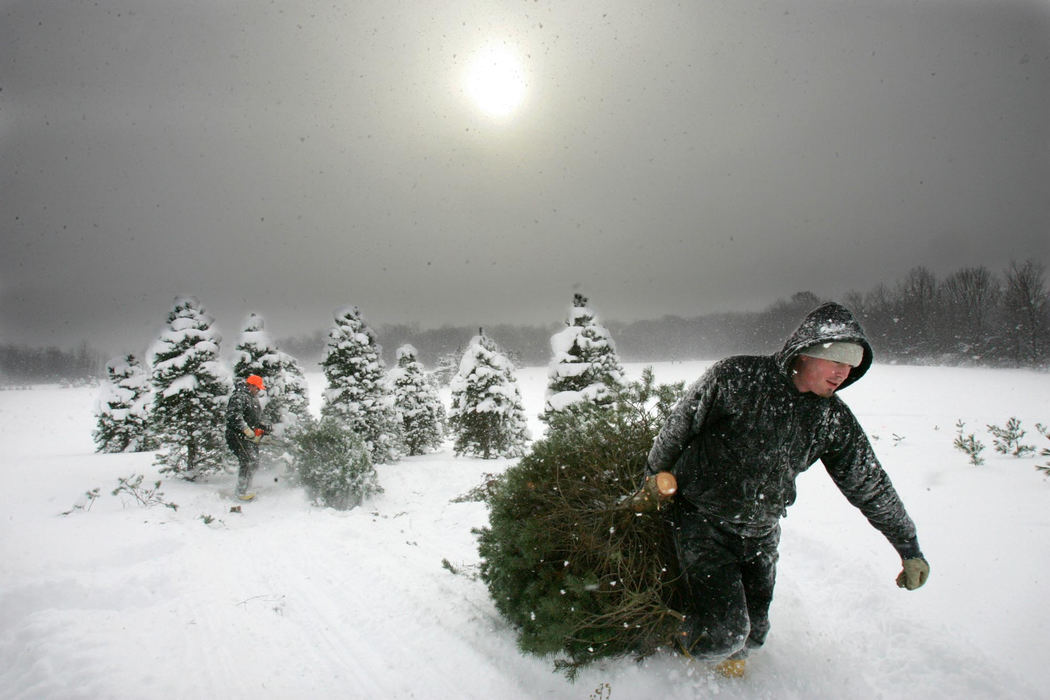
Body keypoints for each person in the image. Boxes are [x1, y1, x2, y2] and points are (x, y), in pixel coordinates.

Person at [645, 302, 929, 678]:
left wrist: (908, 547)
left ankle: (729, 680)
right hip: (703, 520)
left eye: (852, 364)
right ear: (805, 352)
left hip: (761, 532)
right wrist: (652, 476)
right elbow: (680, 426)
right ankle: (676, 655)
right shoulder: (736, 377)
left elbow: (869, 483)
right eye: (836, 361)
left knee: (755, 637)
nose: (843, 373)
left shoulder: (832, 419)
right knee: (724, 633)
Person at [226, 374, 270, 501]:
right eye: (257, 388)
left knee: (254, 461)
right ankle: (241, 493)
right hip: (236, 435)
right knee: (247, 460)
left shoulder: (252, 398)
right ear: (250, 385)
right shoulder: (239, 397)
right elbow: (234, 416)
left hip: (248, 436)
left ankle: (247, 488)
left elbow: (253, 419)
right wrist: (245, 429)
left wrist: (262, 426)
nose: (258, 391)